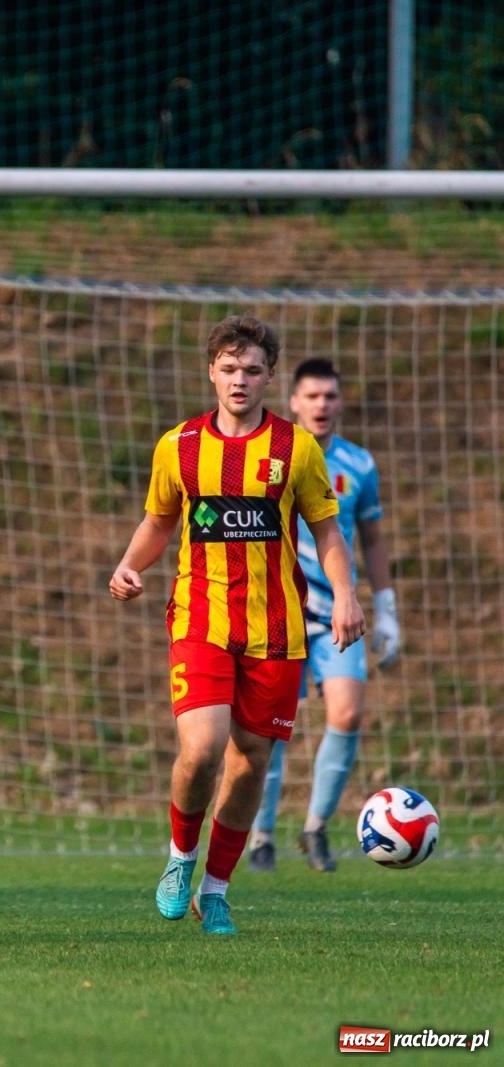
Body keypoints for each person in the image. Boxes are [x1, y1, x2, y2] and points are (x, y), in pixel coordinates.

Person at [109, 315, 365, 936]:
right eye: (229, 369)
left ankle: (217, 889)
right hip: (200, 616)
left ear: (269, 377)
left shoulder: (295, 448)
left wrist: (350, 597)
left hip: (277, 626)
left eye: (252, 370)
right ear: (211, 373)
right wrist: (129, 563)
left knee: (250, 761)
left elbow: (326, 528)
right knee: (200, 748)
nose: (240, 380)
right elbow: (159, 520)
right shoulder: (179, 446)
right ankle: (179, 859)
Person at [248, 359, 400, 873]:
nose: (321, 405)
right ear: (292, 401)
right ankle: (261, 834)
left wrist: (387, 610)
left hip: (341, 611)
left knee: (348, 712)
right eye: (311, 396)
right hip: (279, 609)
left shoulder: (359, 464)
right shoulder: (272, 457)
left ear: (339, 402)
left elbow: (373, 538)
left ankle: (315, 828)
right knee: (270, 728)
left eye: (330, 396)